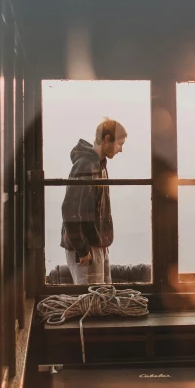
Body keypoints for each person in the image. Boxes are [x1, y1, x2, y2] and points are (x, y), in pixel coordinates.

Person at [60, 117, 127, 285]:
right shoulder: (86, 165)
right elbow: (70, 209)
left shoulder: (98, 164)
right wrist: (82, 249)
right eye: (119, 144)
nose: (120, 150)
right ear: (106, 139)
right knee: (91, 303)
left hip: (94, 244)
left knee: (99, 301)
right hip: (86, 247)